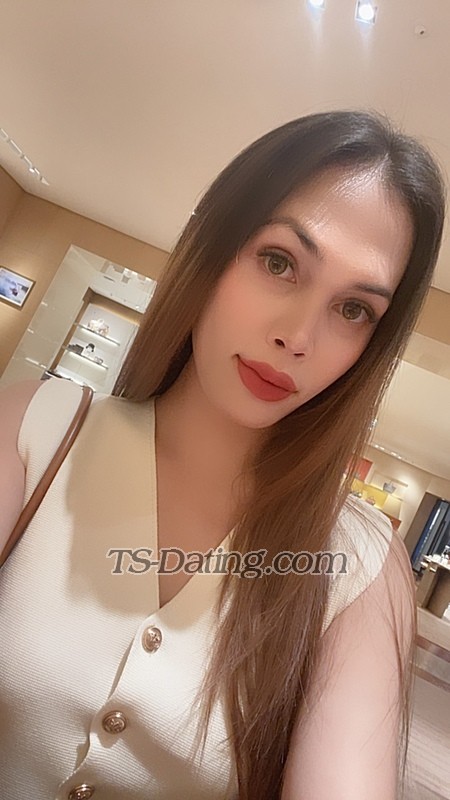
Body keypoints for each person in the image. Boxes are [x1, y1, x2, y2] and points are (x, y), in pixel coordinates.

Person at [0, 110, 445, 800]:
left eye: (354, 309)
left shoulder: (358, 566)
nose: (299, 336)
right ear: (213, 249)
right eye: (279, 262)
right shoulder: (38, 427)